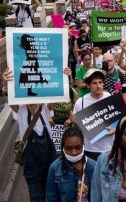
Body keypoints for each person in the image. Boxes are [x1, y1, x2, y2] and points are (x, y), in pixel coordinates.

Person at [3, 67, 71, 201]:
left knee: (51, 194)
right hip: (31, 164)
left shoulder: (45, 106)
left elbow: (58, 97)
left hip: (49, 160)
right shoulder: (20, 109)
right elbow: (9, 99)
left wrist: (64, 78)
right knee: (36, 197)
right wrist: (6, 84)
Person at [69, 69, 113, 160]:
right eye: (94, 83)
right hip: (90, 149)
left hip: (109, 147)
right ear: (88, 85)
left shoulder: (109, 97)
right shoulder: (80, 102)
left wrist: (115, 130)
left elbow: (119, 121)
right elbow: (77, 128)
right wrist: (74, 122)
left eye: (100, 82)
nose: (98, 86)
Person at [46, 127, 96, 202]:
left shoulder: (94, 167)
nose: (74, 152)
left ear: (83, 146)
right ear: (63, 148)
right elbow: (51, 198)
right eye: (69, 148)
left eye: (78, 148)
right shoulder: (55, 168)